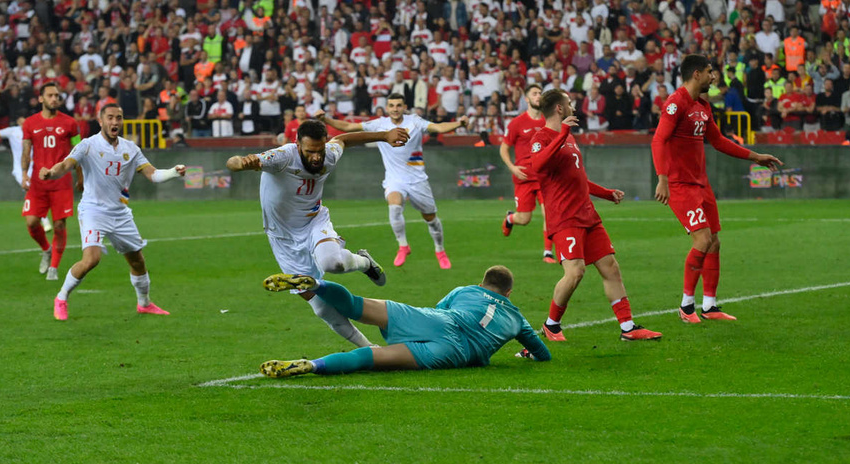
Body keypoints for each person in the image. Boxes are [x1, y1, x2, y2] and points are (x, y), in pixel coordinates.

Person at [226, 119, 410, 348]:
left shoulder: (329, 154)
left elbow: (342, 139)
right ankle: (372, 350)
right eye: (309, 151)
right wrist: (243, 162)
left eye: (319, 150)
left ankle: (364, 262)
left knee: (333, 263)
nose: (316, 157)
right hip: (282, 238)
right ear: (297, 144)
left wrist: (384, 135)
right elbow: (232, 163)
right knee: (320, 306)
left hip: (314, 222)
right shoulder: (283, 157)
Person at [651, 55, 783, 323]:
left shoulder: (702, 105)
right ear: (696, 73)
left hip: (701, 184)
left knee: (714, 243)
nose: (714, 77)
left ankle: (709, 306)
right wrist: (662, 178)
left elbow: (719, 141)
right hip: (680, 185)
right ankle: (686, 306)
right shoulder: (676, 103)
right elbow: (658, 139)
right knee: (702, 240)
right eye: (711, 72)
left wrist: (755, 156)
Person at [531, 89, 663, 342]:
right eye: (569, 103)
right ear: (559, 109)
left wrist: (606, 193)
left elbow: (578, 178)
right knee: (575, 272)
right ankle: (551, 324)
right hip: (565, 217)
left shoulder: (567, 137)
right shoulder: (542, 136)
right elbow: (537, 166)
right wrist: (562, 135)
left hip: (587, 214)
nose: (573, 106)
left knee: (611, 268)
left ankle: (628, 327)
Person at [258, 265, 551, 378]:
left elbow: (438, 308)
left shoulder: (465, 290)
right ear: (509, 293)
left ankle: (316, 284)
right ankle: (312, 365)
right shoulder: (517, 318)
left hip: (438, 320)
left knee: (357, 305)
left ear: (482, 282)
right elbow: (542, 354)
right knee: (373, 358)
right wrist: (529, 352)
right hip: (456, 353)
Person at [40, 104, 186, 321]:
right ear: (101, 121)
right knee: (91, 259)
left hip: (120, 213)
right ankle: (61, 298)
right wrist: (51, 172)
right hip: (93, 210)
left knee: (137, 261)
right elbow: (66, 165)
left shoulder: (131, 149)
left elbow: (153, 174)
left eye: (119, 117)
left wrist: (174, 172)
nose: (115, 122)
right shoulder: (87, 145)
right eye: (110, 118)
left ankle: (144, 304)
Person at [317, 93, 468, 269]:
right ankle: (403, 246)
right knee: (394, 207)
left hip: (417, 179)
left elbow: (439, 128)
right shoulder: (380, 124)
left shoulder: (415, 121)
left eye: (398, 105)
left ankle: (440, 250)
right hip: (394, 179)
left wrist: (459, 123)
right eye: (391, 105)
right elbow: (349, 126)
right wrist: (326, 119)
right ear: (387, 108)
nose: (395, 109)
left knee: (431, 218)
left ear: (404, 107)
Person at [21, 82, 83, 281]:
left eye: (57, 95)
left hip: (62, 183)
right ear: (41, 98)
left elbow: (79, 151)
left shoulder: (71, 124)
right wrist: (24, 173)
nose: (55, 98)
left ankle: (54, 268)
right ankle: (46, 249)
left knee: (59, 226)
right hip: (38, 183)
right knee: (31, 222)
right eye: (50, 95)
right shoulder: (30, 123)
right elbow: (26, 150)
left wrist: (80, 178)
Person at [500, 84, 554, 263]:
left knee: (550, 214)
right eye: (534, 93)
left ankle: (548, 252)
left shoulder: (549, 121)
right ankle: (510, 218)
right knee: (524, 219)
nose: (538, 96)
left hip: (544, 178)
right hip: (523, 178)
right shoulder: (517, 123)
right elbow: (504, 148)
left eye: (540, 93)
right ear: (527, 99)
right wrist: (512, 167)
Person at [0, 117, 51, 233]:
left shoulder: (36, 131)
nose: (23, 122)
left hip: (35, 168)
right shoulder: (13, 131)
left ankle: (39, 219)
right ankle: (44, 221)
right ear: (18, 122)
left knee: (35, 193)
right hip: (20, 170)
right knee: (31, 191)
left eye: (25, 120)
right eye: (20, 120)